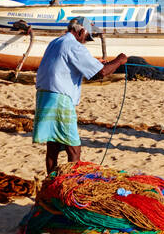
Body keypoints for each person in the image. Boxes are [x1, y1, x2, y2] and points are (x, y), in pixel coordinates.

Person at [33, 17, 127, 173]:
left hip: (44, 96)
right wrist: (119, 60)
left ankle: (50, 184)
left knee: (53, 146)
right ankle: (72, 184)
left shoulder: (55, 42)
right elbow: (101, 72)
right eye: (86, 37)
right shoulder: (74, 46)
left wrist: (94, 62)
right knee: (74, 147)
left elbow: (66, 64)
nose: (85, 41)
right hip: (59, 98)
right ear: (81, 31)